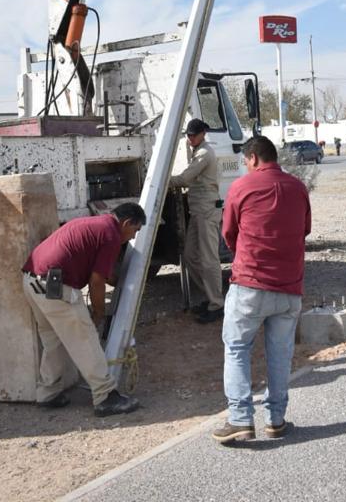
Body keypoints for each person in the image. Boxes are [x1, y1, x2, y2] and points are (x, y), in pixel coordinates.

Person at [212, 135, 311, 444]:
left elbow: (228, 233)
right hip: (289, 287)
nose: (245, 166)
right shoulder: (298, 187)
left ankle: (240, 420)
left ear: (253, 158)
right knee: (280, 355)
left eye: (245, 161)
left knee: (237, 348)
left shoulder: (241, 187)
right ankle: (276, 420)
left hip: (250, 286)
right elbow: (305, 229)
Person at [22, 201, 146, 416]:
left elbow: (99, 271)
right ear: (126, 223)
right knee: (85, 338)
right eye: (135, 230)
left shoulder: (95, 224)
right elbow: (97, 282)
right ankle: (105, 396)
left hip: (32, 280)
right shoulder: (111, 235)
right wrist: (98, 312)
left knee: (53, 340)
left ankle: (48, 393)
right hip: (55, 285)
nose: (134, 236)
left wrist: (114, 279)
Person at [169, 118, 224, 324]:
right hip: (198, 211)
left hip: (207, 210)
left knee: (209, 259)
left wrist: (160, 180)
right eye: (188, 135)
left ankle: (217, 304)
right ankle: (212, 297)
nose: (190, 138)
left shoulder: (204, 153)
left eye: (193, 135)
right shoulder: (196, 149)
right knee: (190, 256)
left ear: (203, 134)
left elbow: (185, 179)